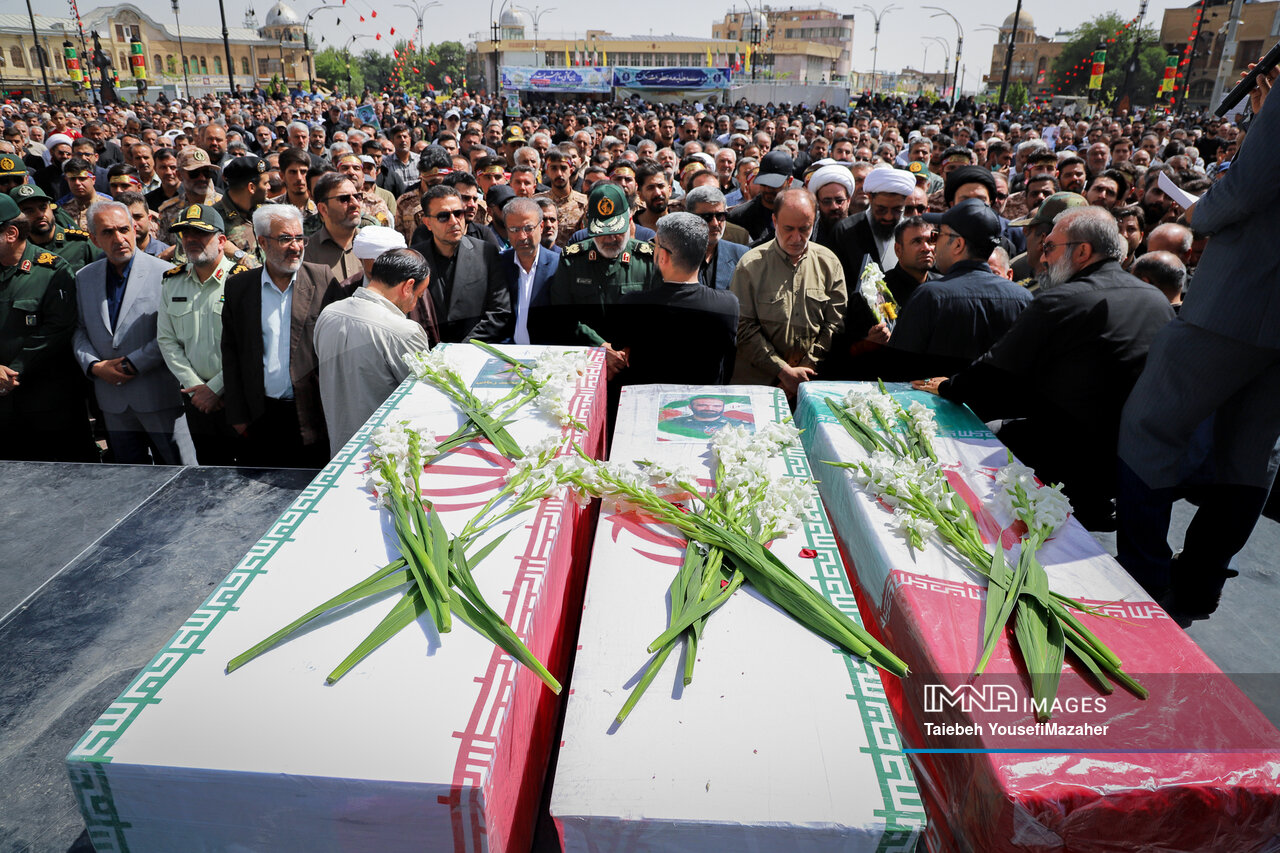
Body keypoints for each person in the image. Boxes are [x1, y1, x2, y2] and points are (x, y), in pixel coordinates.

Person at [1115, 61, 1280, 618]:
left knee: (1148, 424)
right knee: (1250, 450)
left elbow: (1247, 189)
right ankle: (1201, 583)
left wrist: (1200, 211)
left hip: (1241, 301)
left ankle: (1142, 577)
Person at [914, 205, 1174, 528]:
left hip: (1069, 458)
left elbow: (992, 374)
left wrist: (946, 387)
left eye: (1050, 246)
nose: (1042, 256)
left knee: (970, 438)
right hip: (1137, 458)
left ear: (1082, 251)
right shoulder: (1157, 300)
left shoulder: (1063, 301)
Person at [221, 204, 344, 469]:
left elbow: (342, 347)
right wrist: (238, 416)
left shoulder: (322, 279)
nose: (296, 246)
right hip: (261, 416)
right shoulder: (239, 287)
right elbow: (231, 354)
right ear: (263, 242)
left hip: (314, 415)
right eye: (286, 238)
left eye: (300, 238)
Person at [72, 200, 194, 465]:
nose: (119, 239)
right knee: (130, 478)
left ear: (134, 229)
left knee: (181, 473)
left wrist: (133, 364)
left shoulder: (167, 274)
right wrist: (95, 366)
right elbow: (80, 329)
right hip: (112, 399)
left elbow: (174, 332)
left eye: (124, 229)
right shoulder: (84, 277)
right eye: (108, 232)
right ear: (94, 239)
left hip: (158, 395)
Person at [884, 199, 1033, 378]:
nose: (933, 246)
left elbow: (896, 369)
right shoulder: (1023, 299)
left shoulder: (931, 296)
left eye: (937, 236)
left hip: (934, 396)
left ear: (958, 245)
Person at [0, 193, 96, 461]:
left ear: (10, 234)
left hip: (49, 401)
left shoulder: (52, 271)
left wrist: (13, 370)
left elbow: (58, 330)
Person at [531, 182, 658, 379]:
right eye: (601, 232)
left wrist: (628, 348)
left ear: (629, 220)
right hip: (584, 365)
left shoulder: (648, 259)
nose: (609, 239)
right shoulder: (572, 259)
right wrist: (600, 348)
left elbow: (658, 315)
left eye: (616, 231)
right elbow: (562, 316)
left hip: (636, 365)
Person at [314, 248, 433, 455]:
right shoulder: (404, 331)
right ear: (408, 286)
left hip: (339, 452)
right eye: (419, 296)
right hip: (386, 458)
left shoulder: (328, 314)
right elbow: (424, 399)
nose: (415, 304)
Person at [730, 188, 846, 399]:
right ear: (774, 221)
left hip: (811, 387)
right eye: (788, 229)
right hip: (759, 386)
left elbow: (835, 324)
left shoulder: (829, 263)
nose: (796, 237)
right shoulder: (750, 265)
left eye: (804, 229)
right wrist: (783, 371)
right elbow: (743, 327)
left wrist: (804, 370)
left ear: (814, 223)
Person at [157, 204, 249, 465]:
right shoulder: (172, 281)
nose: (191, 240)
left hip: (237, 396)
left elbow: (249, 345)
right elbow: (167, 340)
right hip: (196, 400)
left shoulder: (242, 280)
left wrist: (215, 388)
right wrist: (197, 390)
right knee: (209, 473)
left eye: (200, 233)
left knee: (251, 473)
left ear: (221, 241)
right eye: (186, 234)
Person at [614, 211, 739, 386]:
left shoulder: (632, 304)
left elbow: (619, 347)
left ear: (664, 256)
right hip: (703, 401)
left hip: (649, 400)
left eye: (655, 244)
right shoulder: (728, 305)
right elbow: (728, 363)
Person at [409, 185, 511, 343]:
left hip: (475, 349)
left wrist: (464, 347)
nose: (454, 221)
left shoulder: (486, 253)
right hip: (427, 351)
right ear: (427, 222)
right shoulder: (414, 258)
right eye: (443, 216)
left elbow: (500, 311)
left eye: (458, 213)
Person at [499, 198, 559, 345]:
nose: (522, 236)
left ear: (541, 227)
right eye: (514, 230)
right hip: (506, 352)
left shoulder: (558, 266)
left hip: (546, 353)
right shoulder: (499, 264)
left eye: (528, 228)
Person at [11, 183, 101, 274]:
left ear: (51, 209)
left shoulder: (80, 243)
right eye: (29, 211)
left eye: (43, 208)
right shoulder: (15, 251)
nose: (40, 215)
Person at [302, 172, 364, 283]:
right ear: (323, 209)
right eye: (344, 199)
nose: (355, 204)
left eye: (357, 197)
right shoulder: (307, 253)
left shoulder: (372, 246)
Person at [684, 185, 749, 291]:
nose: (715, 223)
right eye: (706, 217)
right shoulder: (674, 256)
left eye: (720, 216)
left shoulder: (742, 255)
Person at [214, 156, 271, 268]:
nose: (269, 187)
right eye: (265, 183)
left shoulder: (267, 211)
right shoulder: (214, 219)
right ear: (251, 188)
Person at [157, 147, 222, 243]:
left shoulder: (224, 205)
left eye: (206, 172)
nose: (202, 178)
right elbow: (163, 246)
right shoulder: (168, 210)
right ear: (179, 175)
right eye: (194, 173)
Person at [727, 149, 793, 243]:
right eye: (764, 183)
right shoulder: (739, 217)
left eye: (774, 184)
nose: (768, 189)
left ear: (789, 181)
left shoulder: (799, 213)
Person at [658, 395, 749, 439]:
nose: (709, 409)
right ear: (690, 406)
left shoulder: (739, 425)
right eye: (702, 405)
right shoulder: (673, 424)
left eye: (716, 406)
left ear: (723, 407)